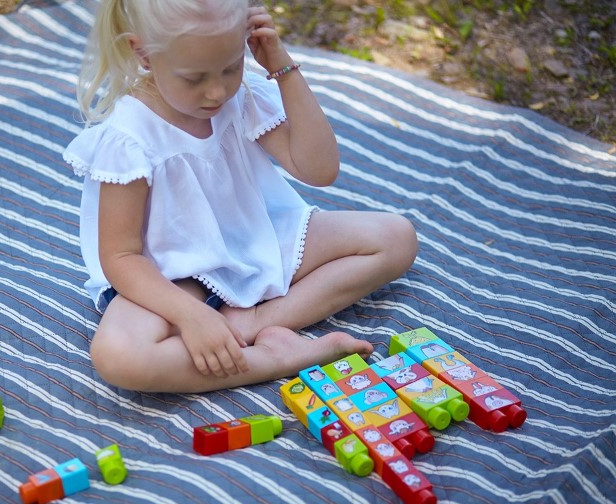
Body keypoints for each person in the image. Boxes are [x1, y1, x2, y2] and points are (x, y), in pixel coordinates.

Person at [64, 0, 418, 393]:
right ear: (143, 53)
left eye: (231, 67)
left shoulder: (242, 94)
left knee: (395, 237)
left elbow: (319, 170)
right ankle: (275, 358)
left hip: (255, 240)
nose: (216, 91)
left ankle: (251, 323)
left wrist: (282, 68)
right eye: (194, 77)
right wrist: (190, 316)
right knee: (119, 356)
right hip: (173, 274)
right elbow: (121, 256)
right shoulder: (129, 136)